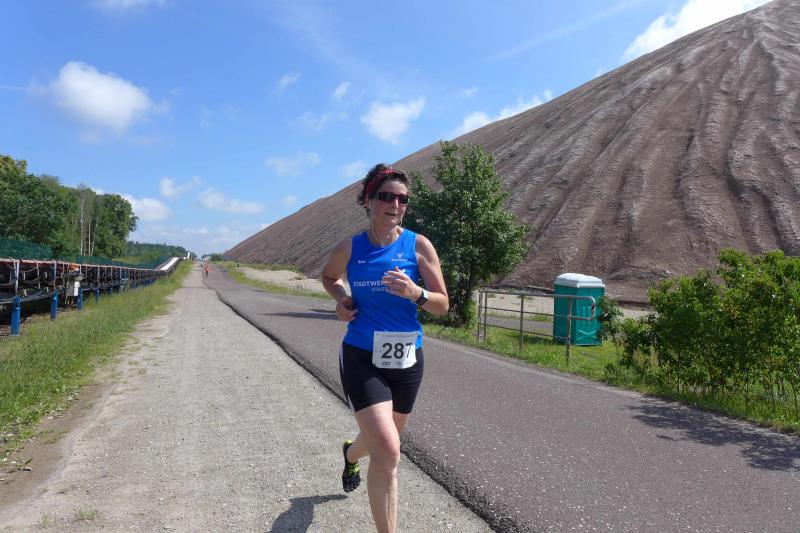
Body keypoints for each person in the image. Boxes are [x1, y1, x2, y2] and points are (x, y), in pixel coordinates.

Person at [322, 164, 448, 533]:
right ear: (368, 201)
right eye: (386, 196)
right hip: (361, 356)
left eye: (402, 199)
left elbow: (442, 304)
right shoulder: (350, 248)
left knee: (384, 440)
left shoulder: (418, 246)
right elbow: (329, 277)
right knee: (389, 452)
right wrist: (342, 300)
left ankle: (350, 454)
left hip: (407, 359)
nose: (395, 204)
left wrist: (416, 293)